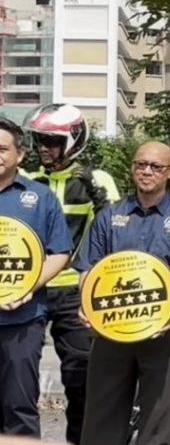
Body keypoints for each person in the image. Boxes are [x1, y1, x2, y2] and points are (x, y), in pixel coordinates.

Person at [76, 141, 170, 445]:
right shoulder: (108, 217)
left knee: (158, 421)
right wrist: (87, 304)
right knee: (101, 417)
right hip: (111, 330)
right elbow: (90, 269)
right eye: (141, 164)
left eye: (155, 166)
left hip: (165, 331)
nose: (147, 171)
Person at [23, 103, 120, 444]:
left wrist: (97, 195)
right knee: (18, 374)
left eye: (52, 141)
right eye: (39, 140)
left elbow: (111, 231)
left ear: (73, 142)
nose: (43, 148)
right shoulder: (28, 180)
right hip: (30, 288)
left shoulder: (97, 180)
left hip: (75, 292)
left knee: (80, 377)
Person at [0, 118, 73, 437]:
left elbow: (60, 252)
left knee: (19, 406)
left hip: (22, 319)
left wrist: (28, 285)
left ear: (19, 154)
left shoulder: (41, 198)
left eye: (2, 149)